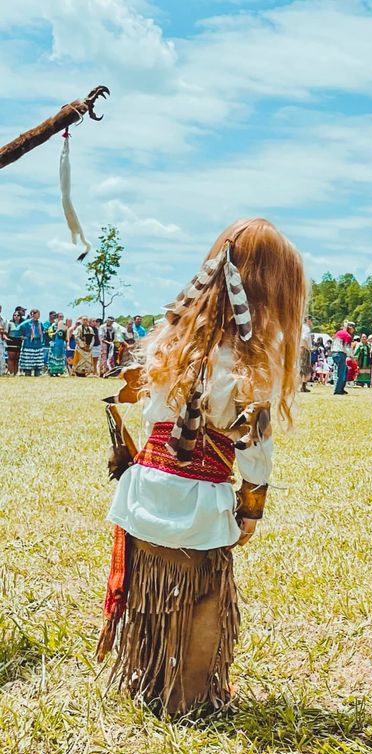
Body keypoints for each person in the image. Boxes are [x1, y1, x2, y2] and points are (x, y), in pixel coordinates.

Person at [96, 217, 307, 717]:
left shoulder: (170, 336)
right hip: (200, 495)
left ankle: (147, 679)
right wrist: (252, 504)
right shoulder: (253, 358)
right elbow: (255, 447)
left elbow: (152, 413)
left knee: (150, 587)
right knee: (205, 593)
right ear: (273, 289)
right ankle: (189, 695)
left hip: (146, 484)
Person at [18, 309, 46, 376]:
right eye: (37, 314)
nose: (39, 315)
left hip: (38, 344)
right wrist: (22, 336)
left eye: (39, 314)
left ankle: (37, 372)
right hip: (29, 344)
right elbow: (17, 329)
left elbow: (43, 331)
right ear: (32, 314)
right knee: (28, 362)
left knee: (37, 362)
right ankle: (27, 373)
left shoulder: (40, 323)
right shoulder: (26, 323)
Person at [331, 320, 354, 395]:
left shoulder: (338, 332)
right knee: (341, 373)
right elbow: (347, 348)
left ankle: (341, 388)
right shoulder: (348, 336)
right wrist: (352, 357)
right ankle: (338, 390)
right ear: (350, 328)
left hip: (334, 353)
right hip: (340, 354)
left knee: (345, 370)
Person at [300, 317, 313, 393]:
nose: (312, 322)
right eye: (311, 320)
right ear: (308, 320)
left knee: (302, 367)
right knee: (305, 368)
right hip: (304, 349)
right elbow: (304, 339)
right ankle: (303, 386)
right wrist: (308, 348)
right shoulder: (306, 329)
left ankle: (303, 386)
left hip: (300, 348)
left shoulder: (301, 327)